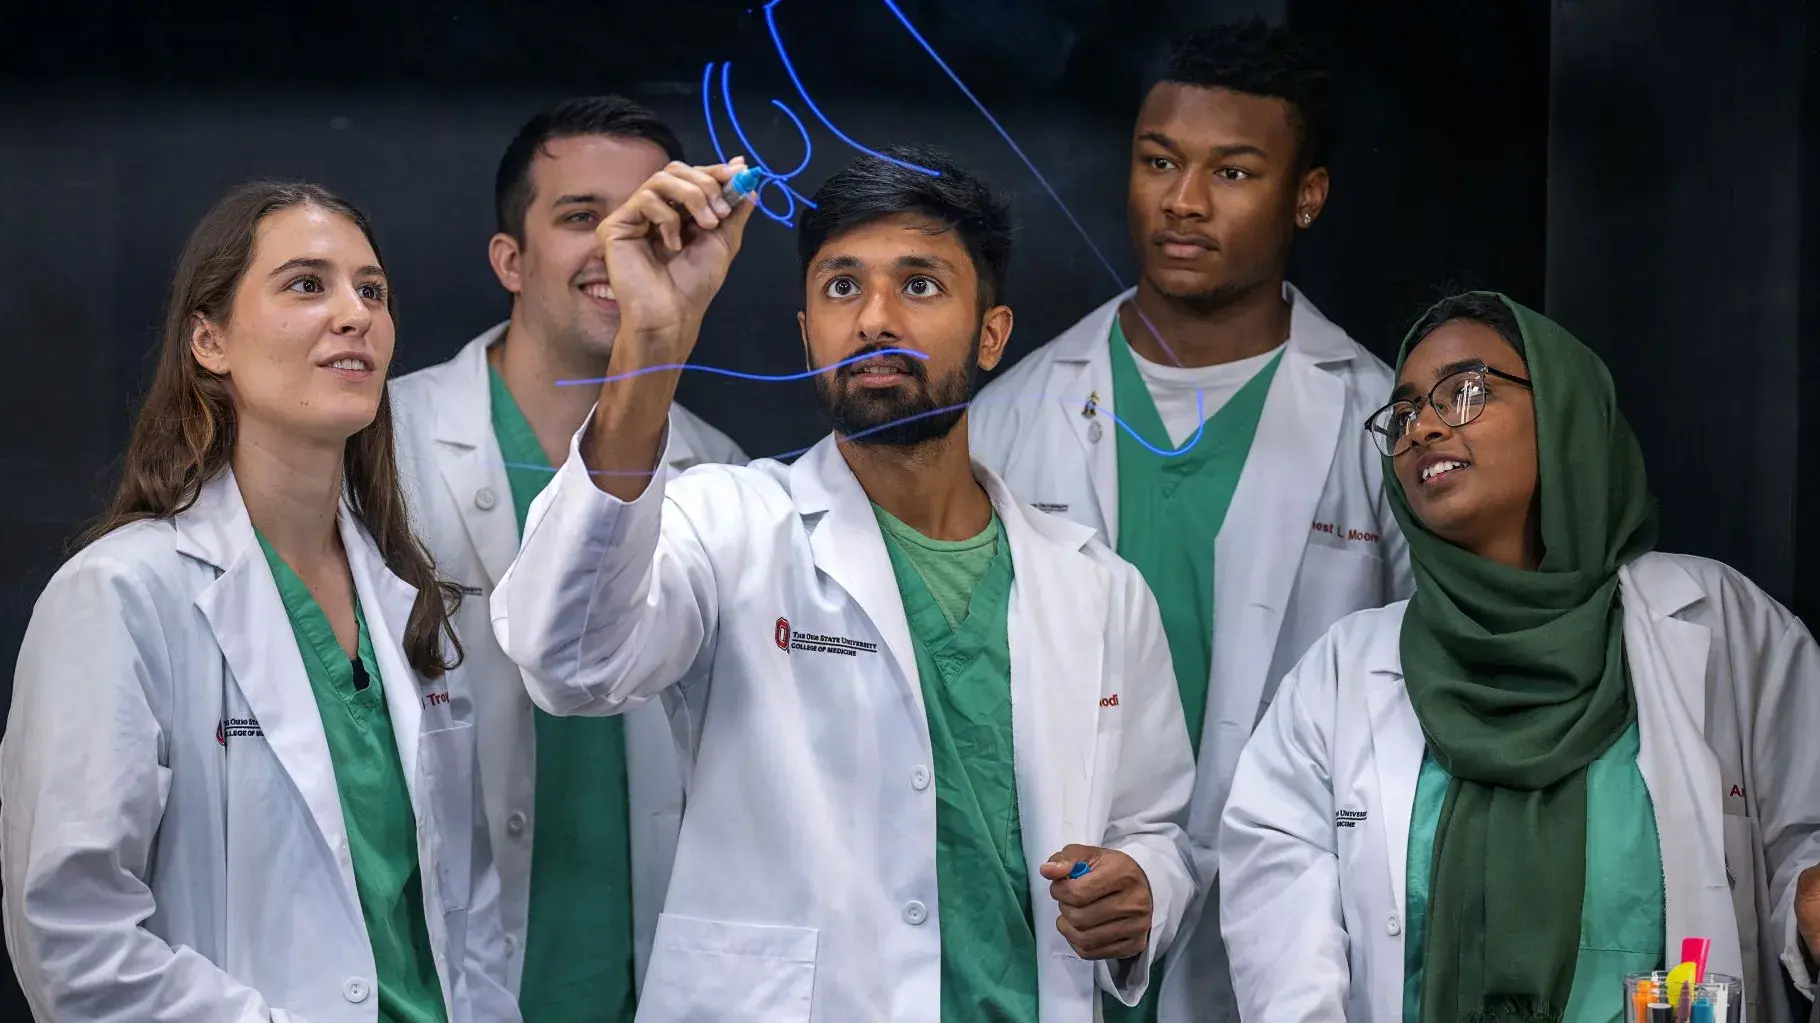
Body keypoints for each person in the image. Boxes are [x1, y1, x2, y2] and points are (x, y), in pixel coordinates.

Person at [489, 146, 1199, 1021]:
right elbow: (568, 661)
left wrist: (1143, 888)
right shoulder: (731, 524)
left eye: (920, 285)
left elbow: (1155, 831)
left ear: (992, 334)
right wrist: (652, 343)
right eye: (841, 287)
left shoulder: (1098, 589)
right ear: (806, 334)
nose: (874, 319)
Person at [968, 20, 1411, 1021]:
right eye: (1159, 161)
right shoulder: (1009, 419)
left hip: (1301, 925)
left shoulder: (1378, 426)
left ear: (1307, 195)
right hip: (1059, 919)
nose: (1183, 200)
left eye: (1233, 172)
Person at [1218, 292, 1820, 1023]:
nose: (1424, 427)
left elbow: (1804, 845)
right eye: (1403, 413)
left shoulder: (1721, 625)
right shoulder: (1341, 673)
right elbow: (1278, 913)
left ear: (1563, 412)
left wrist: (1808, 901)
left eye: (1465, 391)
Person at [0, 182, 518, 1022]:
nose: (354, 314)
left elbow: (467, 917)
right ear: (209, 340)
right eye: (307, 284)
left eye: (372, 290)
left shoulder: (404, 598)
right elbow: (74, 939)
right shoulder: (121, 595)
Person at [390, 95, 745, 1021]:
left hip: (642, 979)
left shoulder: (720, 475)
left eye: (649, 215)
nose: (618, 244)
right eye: (582, 216)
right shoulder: (381, 445)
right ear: (509, 258)